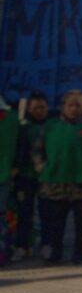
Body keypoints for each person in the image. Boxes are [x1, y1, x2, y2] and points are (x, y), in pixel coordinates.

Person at [34, 90, 82, 264]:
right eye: (70, 105)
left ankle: (78, 252)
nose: (73, 109)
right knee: (56, 221)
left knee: (81, 221)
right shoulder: (51, 125)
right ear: (63, 107)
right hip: (56, 181)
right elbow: (37, 149)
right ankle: (56, 251)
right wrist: (41, 167)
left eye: (78, 105)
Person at [11, 92, 49, 261]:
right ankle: (22, 246)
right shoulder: (22, 127)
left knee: (46, 212)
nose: (39, 111)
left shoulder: (52, 126)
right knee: (24, 212)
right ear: (28, 109)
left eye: (42, 108)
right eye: (35, 108)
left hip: (46, 177)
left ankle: (46, 245)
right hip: (25, 176)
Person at [0, 97, 18, 265]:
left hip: (4, 173)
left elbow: (20, 143)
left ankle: (2, 250)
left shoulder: (11, 118)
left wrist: (16, 165)